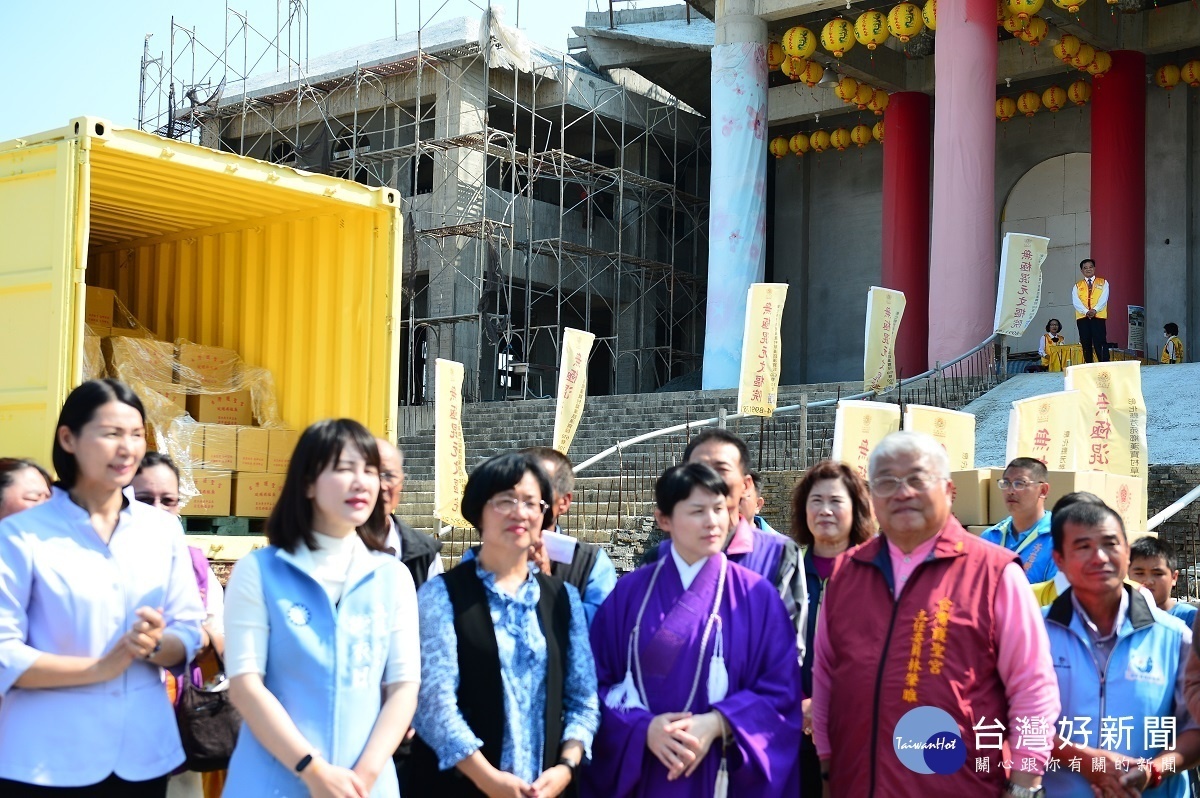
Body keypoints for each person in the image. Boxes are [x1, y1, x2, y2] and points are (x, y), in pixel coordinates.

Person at [812, 431, 1059, 796]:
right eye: (886, 481)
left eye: (917, 479)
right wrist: (828, 767)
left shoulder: (995, 572)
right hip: (858, 782)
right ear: (871, 496)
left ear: (947, 489)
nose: (902, 492)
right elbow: (825, 680)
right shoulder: (846, 573)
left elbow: (1033, 688)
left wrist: (1025, 783)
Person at [0, 379, 206, 796]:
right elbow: (4, 650)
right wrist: (99, 669)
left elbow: (188, 630)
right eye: (111, 433)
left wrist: (155, 643)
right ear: (68, 438)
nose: (128, 448)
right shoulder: (22, 535)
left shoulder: (163, 531)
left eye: (136, 434)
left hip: (143, 755)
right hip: (47, 759)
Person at [222, 419, 420, 797]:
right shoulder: (261, 571)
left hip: (366, 785)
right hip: (273, 782)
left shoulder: (392, 576)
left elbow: (404, 687)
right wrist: (311, 770)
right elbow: (246, 685)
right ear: (307, 483)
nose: (362, 482)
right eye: (345, 469)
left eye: (370, 471)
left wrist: (363, 777)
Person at [583, 463, 802, 797]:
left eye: (719, 509)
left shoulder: (758, 596)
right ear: (664, 520)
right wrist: (643, 728)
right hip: (645, 768)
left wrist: (720, 723)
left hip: (723, 770)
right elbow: (591, 684)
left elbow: (781, 692)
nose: (712, 522)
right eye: (698, 511)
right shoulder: (629, 595)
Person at [408, 453, 599, 797]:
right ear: (479, 510)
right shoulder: (442, 594)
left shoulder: (563, 598)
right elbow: (433, 704)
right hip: (461, 786)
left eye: (531, 502)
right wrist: (488, 780)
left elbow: (583, 698)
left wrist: (567, 767)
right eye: (505, 500)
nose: (520, 512)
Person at [1042, 502, 1200, 796]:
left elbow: (1195, 728)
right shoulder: (1035, 632)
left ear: (1126, 552)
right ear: (1059, 560)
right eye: (1083, 546)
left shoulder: (1174, 636)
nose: (1100, 557)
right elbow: (1010, 721)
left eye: (1110, 544)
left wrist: (1153, 770)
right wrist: (1086, 761)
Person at [643, 428, 807, 662]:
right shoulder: (657, 559)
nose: (709, 479)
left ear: (746, 485)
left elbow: (788, 651)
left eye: (721, 469)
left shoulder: (778, 554)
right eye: (698, 469)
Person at [132, 453, 226, 798]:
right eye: (144, 500)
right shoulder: (98, 561)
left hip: (182, 727)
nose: (157, 510)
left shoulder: (196, 566)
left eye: (168, 501)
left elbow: (221, 638)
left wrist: (192, 637)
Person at [788, 460, 875, 798]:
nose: (825, 510)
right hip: (791, 723)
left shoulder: (875, 575)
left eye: (836, 501)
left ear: (857, 509)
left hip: (855, 728)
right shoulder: (785, 573)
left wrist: (825, 705)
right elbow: (767, 650)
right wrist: (801, 703)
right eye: (816, 500)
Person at [520, 447, 617, 626]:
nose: (521, 505)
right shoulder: (483, 558)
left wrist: (548, 588)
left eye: (539, 487)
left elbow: (602, 630)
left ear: (564, 502)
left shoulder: (591, 563)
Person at [373, 438, 443, 589]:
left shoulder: (425, 553)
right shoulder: (332, 548)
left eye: (389, 475)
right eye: (370, 473)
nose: (381, 485)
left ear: (402, 483)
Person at [981, 458, 1058, 583]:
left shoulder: (1057, 539)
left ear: (1043, 490)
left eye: (1020, 484)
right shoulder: (990, 537)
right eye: (1005, 483)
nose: (1010, 491)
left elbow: (1061, 597)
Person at [1130, 535, 1198, 628]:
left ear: (1174, 577)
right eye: (1139, 573)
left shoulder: (1190, 618)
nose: (1148, 581)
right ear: (1127, 574)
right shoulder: (1119, 618)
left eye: (1157, 574)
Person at [1072, 258, 1109, 363]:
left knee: (1100, 341)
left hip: (1098, 316)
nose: (1088, 269)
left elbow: (1104, 298)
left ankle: (1104, 363)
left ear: (1094, 268)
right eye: (1085, 268)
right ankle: (1088, 364)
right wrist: (1086, 311)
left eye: (1090, 267)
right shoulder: (1077, 286)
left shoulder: (1103, 282)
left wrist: (1095, 310)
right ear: (1082, 270)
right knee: (1085, 342)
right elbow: (1076, 302)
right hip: (1083, 317)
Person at [740, 470, 781, 536]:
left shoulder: (779, 545)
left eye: (740, 499)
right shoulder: (719, 543)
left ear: (758, 504)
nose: (732, 505)